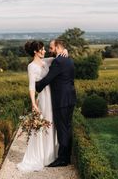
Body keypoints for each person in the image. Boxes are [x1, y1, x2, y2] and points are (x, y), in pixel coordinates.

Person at [17, 40, 59, 172]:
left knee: (52, 123)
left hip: (52, 96)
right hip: (43, 98)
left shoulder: (45, 61)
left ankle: (51, 155)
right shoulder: (31, 66)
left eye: (45, 48)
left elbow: (57, 57)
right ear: (35, 51)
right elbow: (31, 86)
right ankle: (42, 156)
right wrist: (33, 103)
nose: (45, 51)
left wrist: (64, 51)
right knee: (45, 124)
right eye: (42, 49)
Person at [35, 39, 76, 167]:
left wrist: (36, 86)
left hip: (61, 100)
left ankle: (63, 159)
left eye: (51, 48)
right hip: (71, 98)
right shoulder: (68, 59)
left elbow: (48, 78)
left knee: (62, 129)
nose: (50, 50)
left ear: (58, 48)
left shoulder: (58, 61)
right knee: (67, 127)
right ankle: (67, 156)